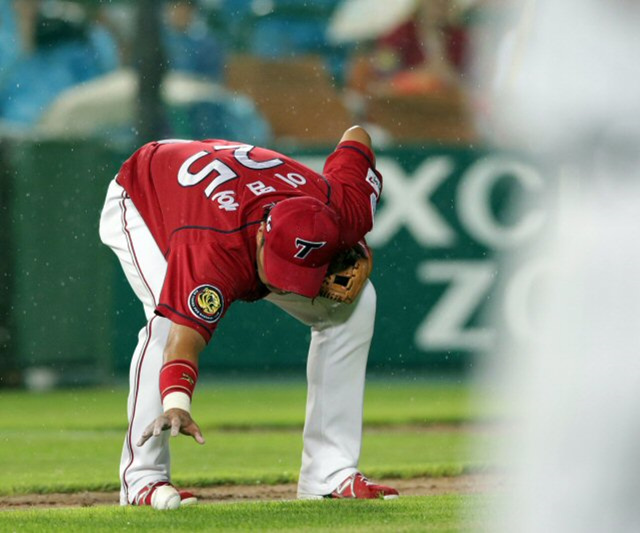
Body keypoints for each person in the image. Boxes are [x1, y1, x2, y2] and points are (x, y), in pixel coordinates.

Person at [99, 125, 399, 508]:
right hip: (146, 192)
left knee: (354, 306)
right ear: (261, 235)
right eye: (282, 269)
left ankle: (330, 474)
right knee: (164, 317)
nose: (289, 285)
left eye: (299, 274)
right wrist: (178, 402)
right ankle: (142, 479)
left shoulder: (345, 210)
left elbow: (357, 135)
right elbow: (184, 338)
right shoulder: (212, 246)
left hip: (234, 174)